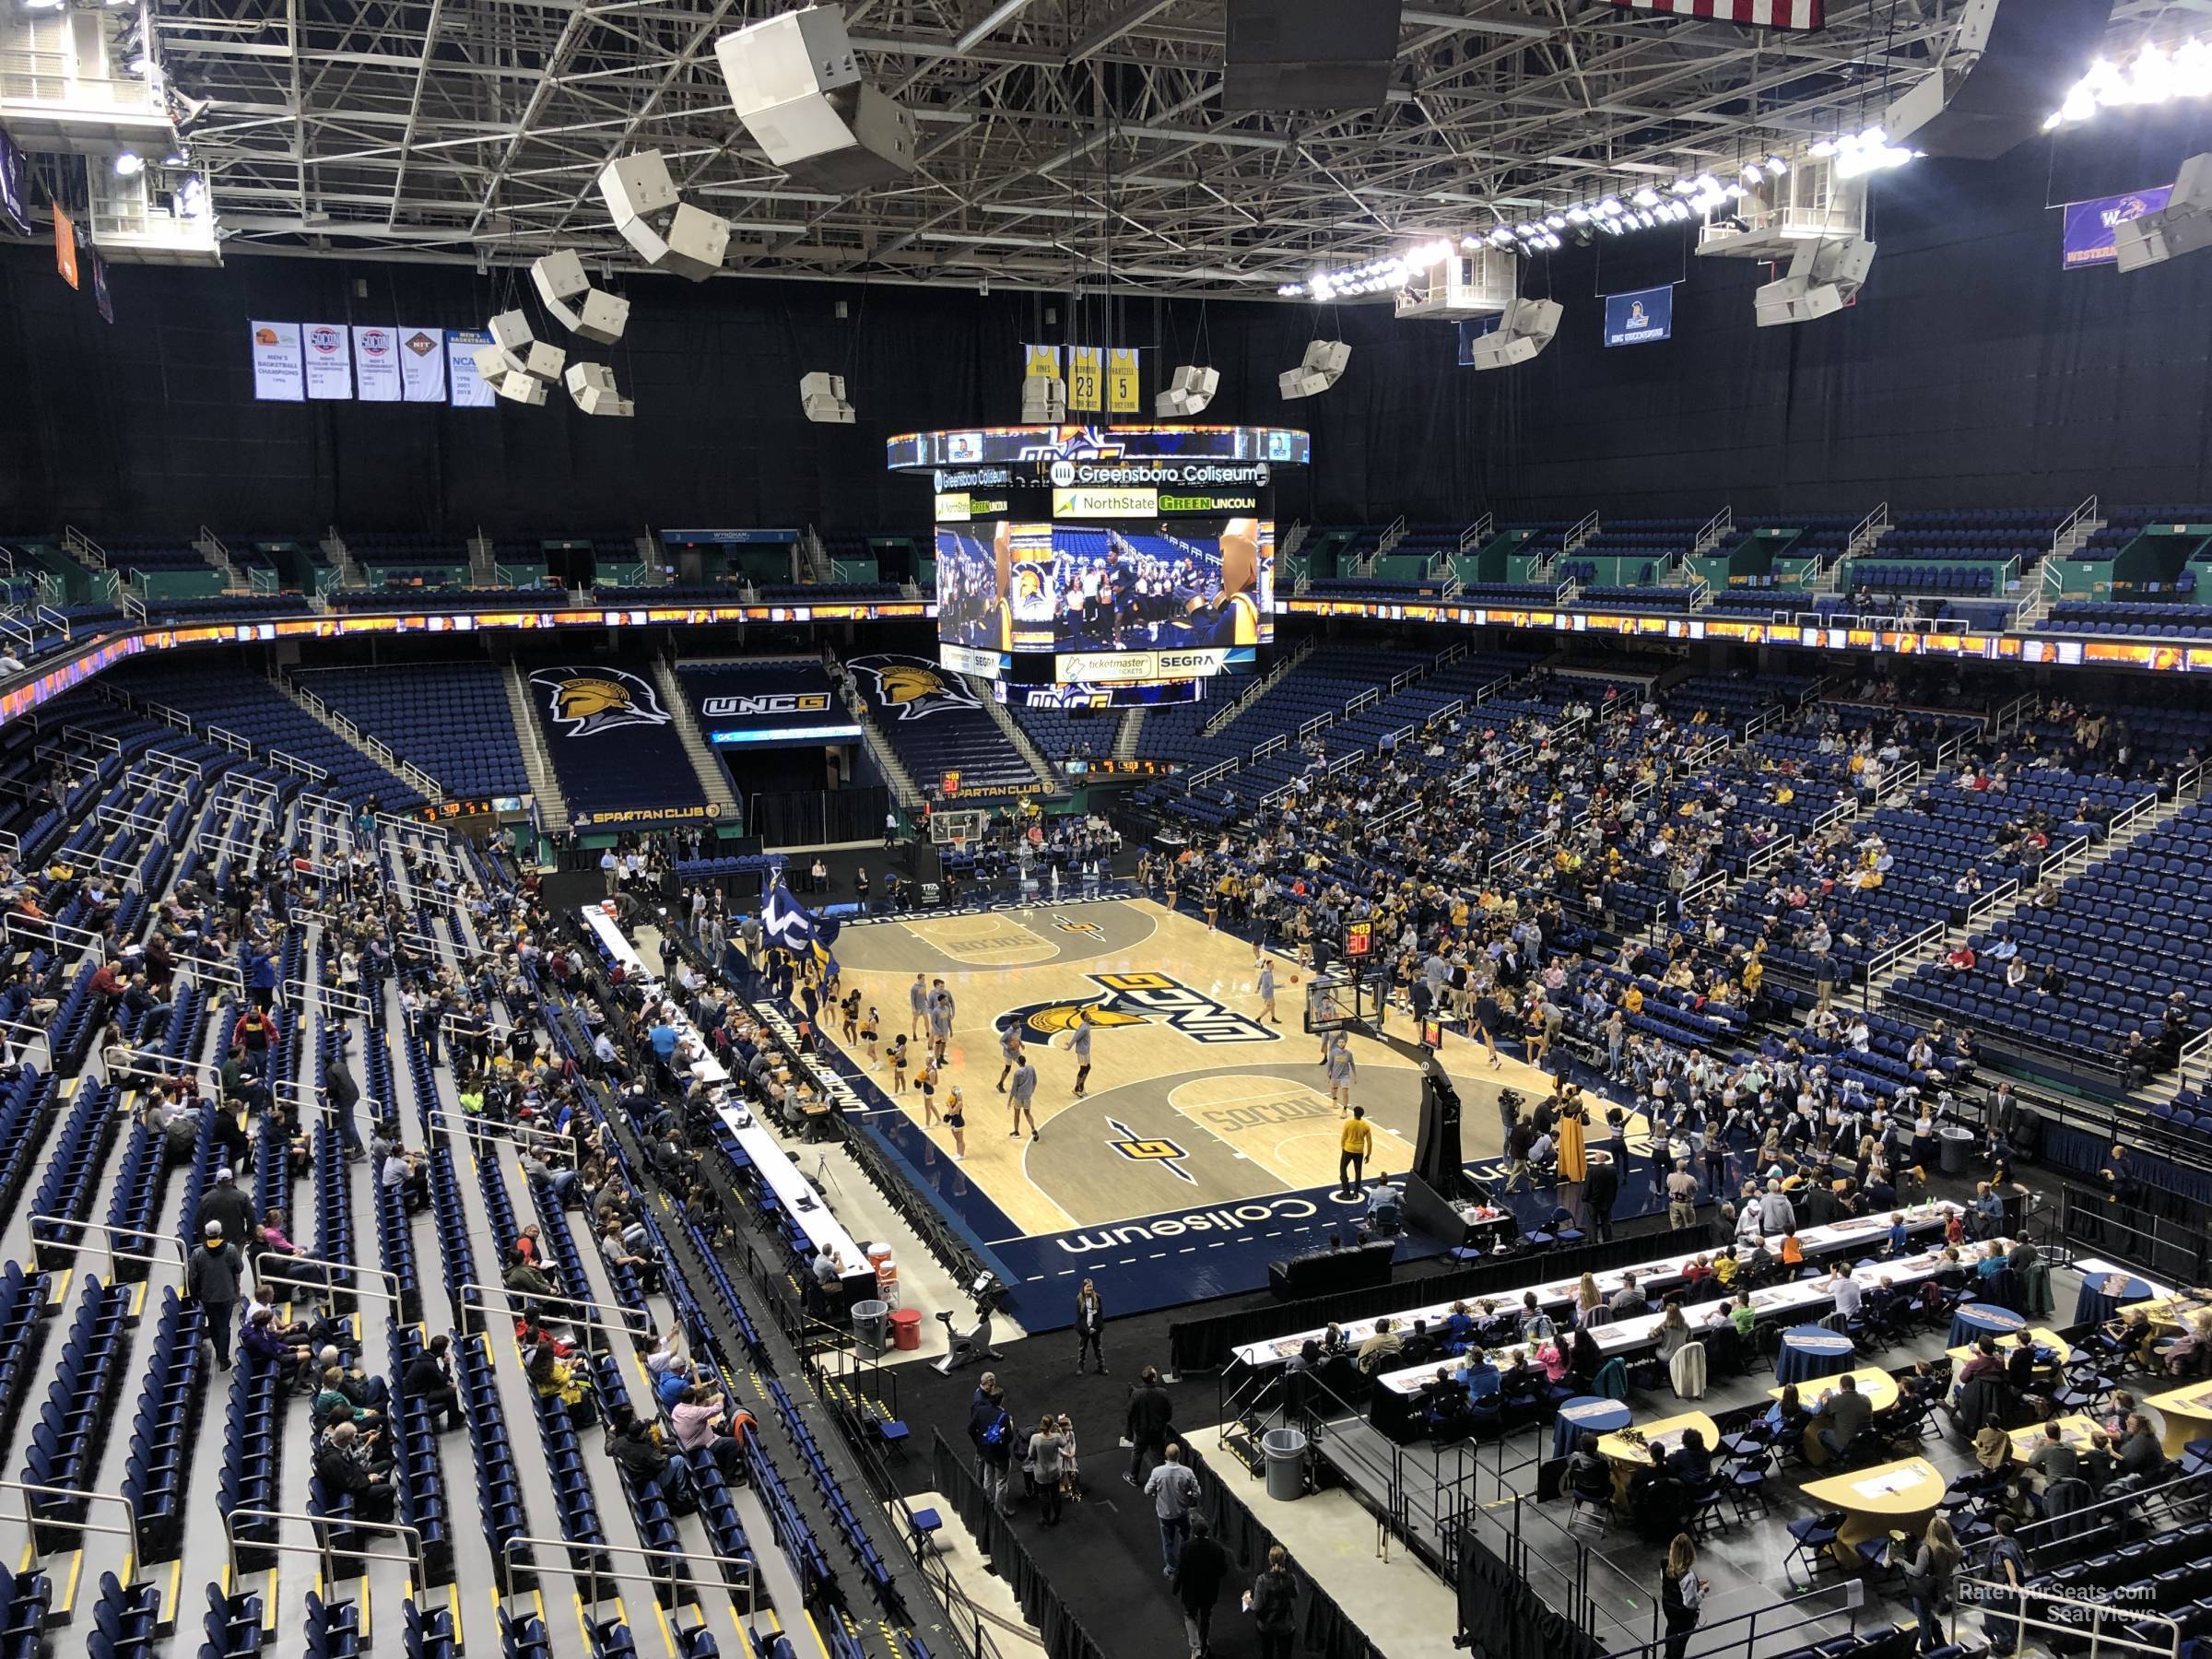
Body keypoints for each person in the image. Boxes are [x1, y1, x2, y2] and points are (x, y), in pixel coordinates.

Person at [187, 1219, 245, 1370]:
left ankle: (220, 1353)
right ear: (220, 1232)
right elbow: (239, 1268)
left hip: (208, 1296)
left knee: (213, 1324)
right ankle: (224, 1358)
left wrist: (194, 1296)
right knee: (225, 1325)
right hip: (227, 1293)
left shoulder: (198, 1253)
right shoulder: (231, 1250)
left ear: (206, 1235)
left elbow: (192, 1277)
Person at [1174, 1515, 1230, 1658]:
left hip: (1191, 1592)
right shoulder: (1217, 1548)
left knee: (1189, 1616)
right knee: (1206, 1616)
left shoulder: (1186, 1547)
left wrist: (1176, 1587)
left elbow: (1181, 1570)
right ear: (1207, 1531)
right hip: (1209, 1592)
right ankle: (1204, 1642)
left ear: (1193, 1532)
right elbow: (1223, 1570)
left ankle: (1196, 1648)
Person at [1904, 1513, 1961, 1652]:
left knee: (1922, 1618)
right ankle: (1940, 1639)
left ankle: (1926, 1646)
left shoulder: (1927, 1550)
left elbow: (1917, 1572)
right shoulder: (1955, 1548)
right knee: (1927, 1612)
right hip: (1942, 1585)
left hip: (1925, 1588)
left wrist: (1902, 1562)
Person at [1144, 1442, 1201, 1578]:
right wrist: (1189, 1497)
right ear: (1179, 1455)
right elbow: (1197, 1493)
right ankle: (1186, 1563)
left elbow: (1147, 1491)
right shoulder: (1187, 1472)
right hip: (1182, 1512)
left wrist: (1155, 1493)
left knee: (1168, 1542)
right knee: (1186, 1538)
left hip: (1164, 1514)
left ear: (1166, 1456)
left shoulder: (1157, 1472)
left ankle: (1171, 1569)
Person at [403, 1334, 464, 1432]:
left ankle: (456, 1416)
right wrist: (447, 1365)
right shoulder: (430, 1365)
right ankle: (454, 1421)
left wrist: (447, 1381)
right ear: (441, 1351)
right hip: (418, 1397)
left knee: (450, 1382)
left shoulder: (425, 1356)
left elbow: (441, 1379)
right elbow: (443, 1380)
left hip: (422, 1390)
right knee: (451, 1391)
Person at [1248, 1544, 1300, 1659]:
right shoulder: (1291, 1579)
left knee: (1267, 1654)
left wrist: (1248, 1601)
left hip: (1266, 1625)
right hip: (1286, 1625)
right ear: (1284, 1559)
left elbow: (1256, 1606)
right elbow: (1295, 1594)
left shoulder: (1262, 1580)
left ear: (1269, 1560)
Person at [1662, 1534, 1709, 1659]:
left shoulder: (1665, 1566)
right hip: (1683, 1618)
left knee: (1670, 1635)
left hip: (1670, 1612)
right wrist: (1702, 1591)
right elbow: (1690, 1603)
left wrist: (1696, 1585)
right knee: (1679, 1646)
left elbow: (1674, 1586)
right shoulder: (1688, 1576)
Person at [1126, 1365, 1175, 1484]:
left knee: (1137, 1452)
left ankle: (1133, 1477)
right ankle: (1159, 1482)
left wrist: (1135, 1426)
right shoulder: (1162, 1393)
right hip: (1158, 1431)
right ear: (1154, 1379)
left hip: (1141, 1432)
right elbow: (1168, 1411)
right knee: (1158, 1457)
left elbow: (1130, 1412)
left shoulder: (1136, 1394)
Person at [1812, 1372, 1872, 1461]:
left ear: (1841, 1387)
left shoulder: (1836, 1400)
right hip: (1866, 1439)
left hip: (1848, 1442)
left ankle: (1841, 1458)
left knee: (1822, 1433)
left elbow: (1818, 1413)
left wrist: (1821, 1399)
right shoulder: (1866, 1399)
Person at [1027, 1415, 1067, 1526]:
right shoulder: (1057, 1437)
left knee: (1043, 1495)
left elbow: (1031, 1455)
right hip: (1054, 1471)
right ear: (1051, 1425)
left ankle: (1046, 1518)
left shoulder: (1035, 1438)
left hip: (1041, 1473)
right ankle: (1058, 1516)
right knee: (1055, 1495)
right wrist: (1059, 1430)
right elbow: (1064, 1443)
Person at [1337, 1106, 1371, 1199]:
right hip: (1359, 1151)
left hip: (1348, 1149)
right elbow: (1369, 1141)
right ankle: (1356, 1193)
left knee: (1343, 1169)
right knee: (1358, 1172)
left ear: (1354, 1113)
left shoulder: (1348, 1123)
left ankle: (1346, 1192)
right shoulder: (1366, 1126)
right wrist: (1369, 1154)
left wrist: (1343, 1148)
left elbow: (1343, 1137)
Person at [1075, 1278, 1107, 1375]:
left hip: (1095, 1329)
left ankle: (1101, 1367)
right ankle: (1080, 1368)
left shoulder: (1097, 1298)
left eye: (1090, 1286)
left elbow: (1099, 1315)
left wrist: (1093, 1327)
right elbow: (1080, 1317)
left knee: (1098, 1348)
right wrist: (1087, 1329)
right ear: (1083, 1287)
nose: (1089, 1288)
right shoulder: (1079, 1299)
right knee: (1082, 1349)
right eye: (1087, 1286)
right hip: (1084, 1330)